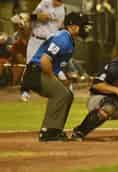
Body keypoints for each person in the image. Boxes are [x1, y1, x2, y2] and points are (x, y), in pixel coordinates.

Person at [21, 12, 91, 141]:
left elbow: (56, 64)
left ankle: (56, 130)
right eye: (83, 25)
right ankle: (47, 131)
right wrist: (54, 78)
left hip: (40, 71)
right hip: (35, 73)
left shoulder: (68, 39)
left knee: (68, 94)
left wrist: (63, 80)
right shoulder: (62, 38)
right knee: (61, 93)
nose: (86, 29)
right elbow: (44, 61)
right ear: (72, 26)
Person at [21, 0, 66, 102]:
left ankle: (64, 86)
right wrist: (27, 20)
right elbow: (36, 14)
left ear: (62, 0)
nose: (55, 1)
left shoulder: (61, 11)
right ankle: (25, 91)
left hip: (47, 42)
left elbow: (42, 17)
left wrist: (26, 17)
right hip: (35, 39)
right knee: (29, 65)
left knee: (52, 66)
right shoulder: (46, 1)